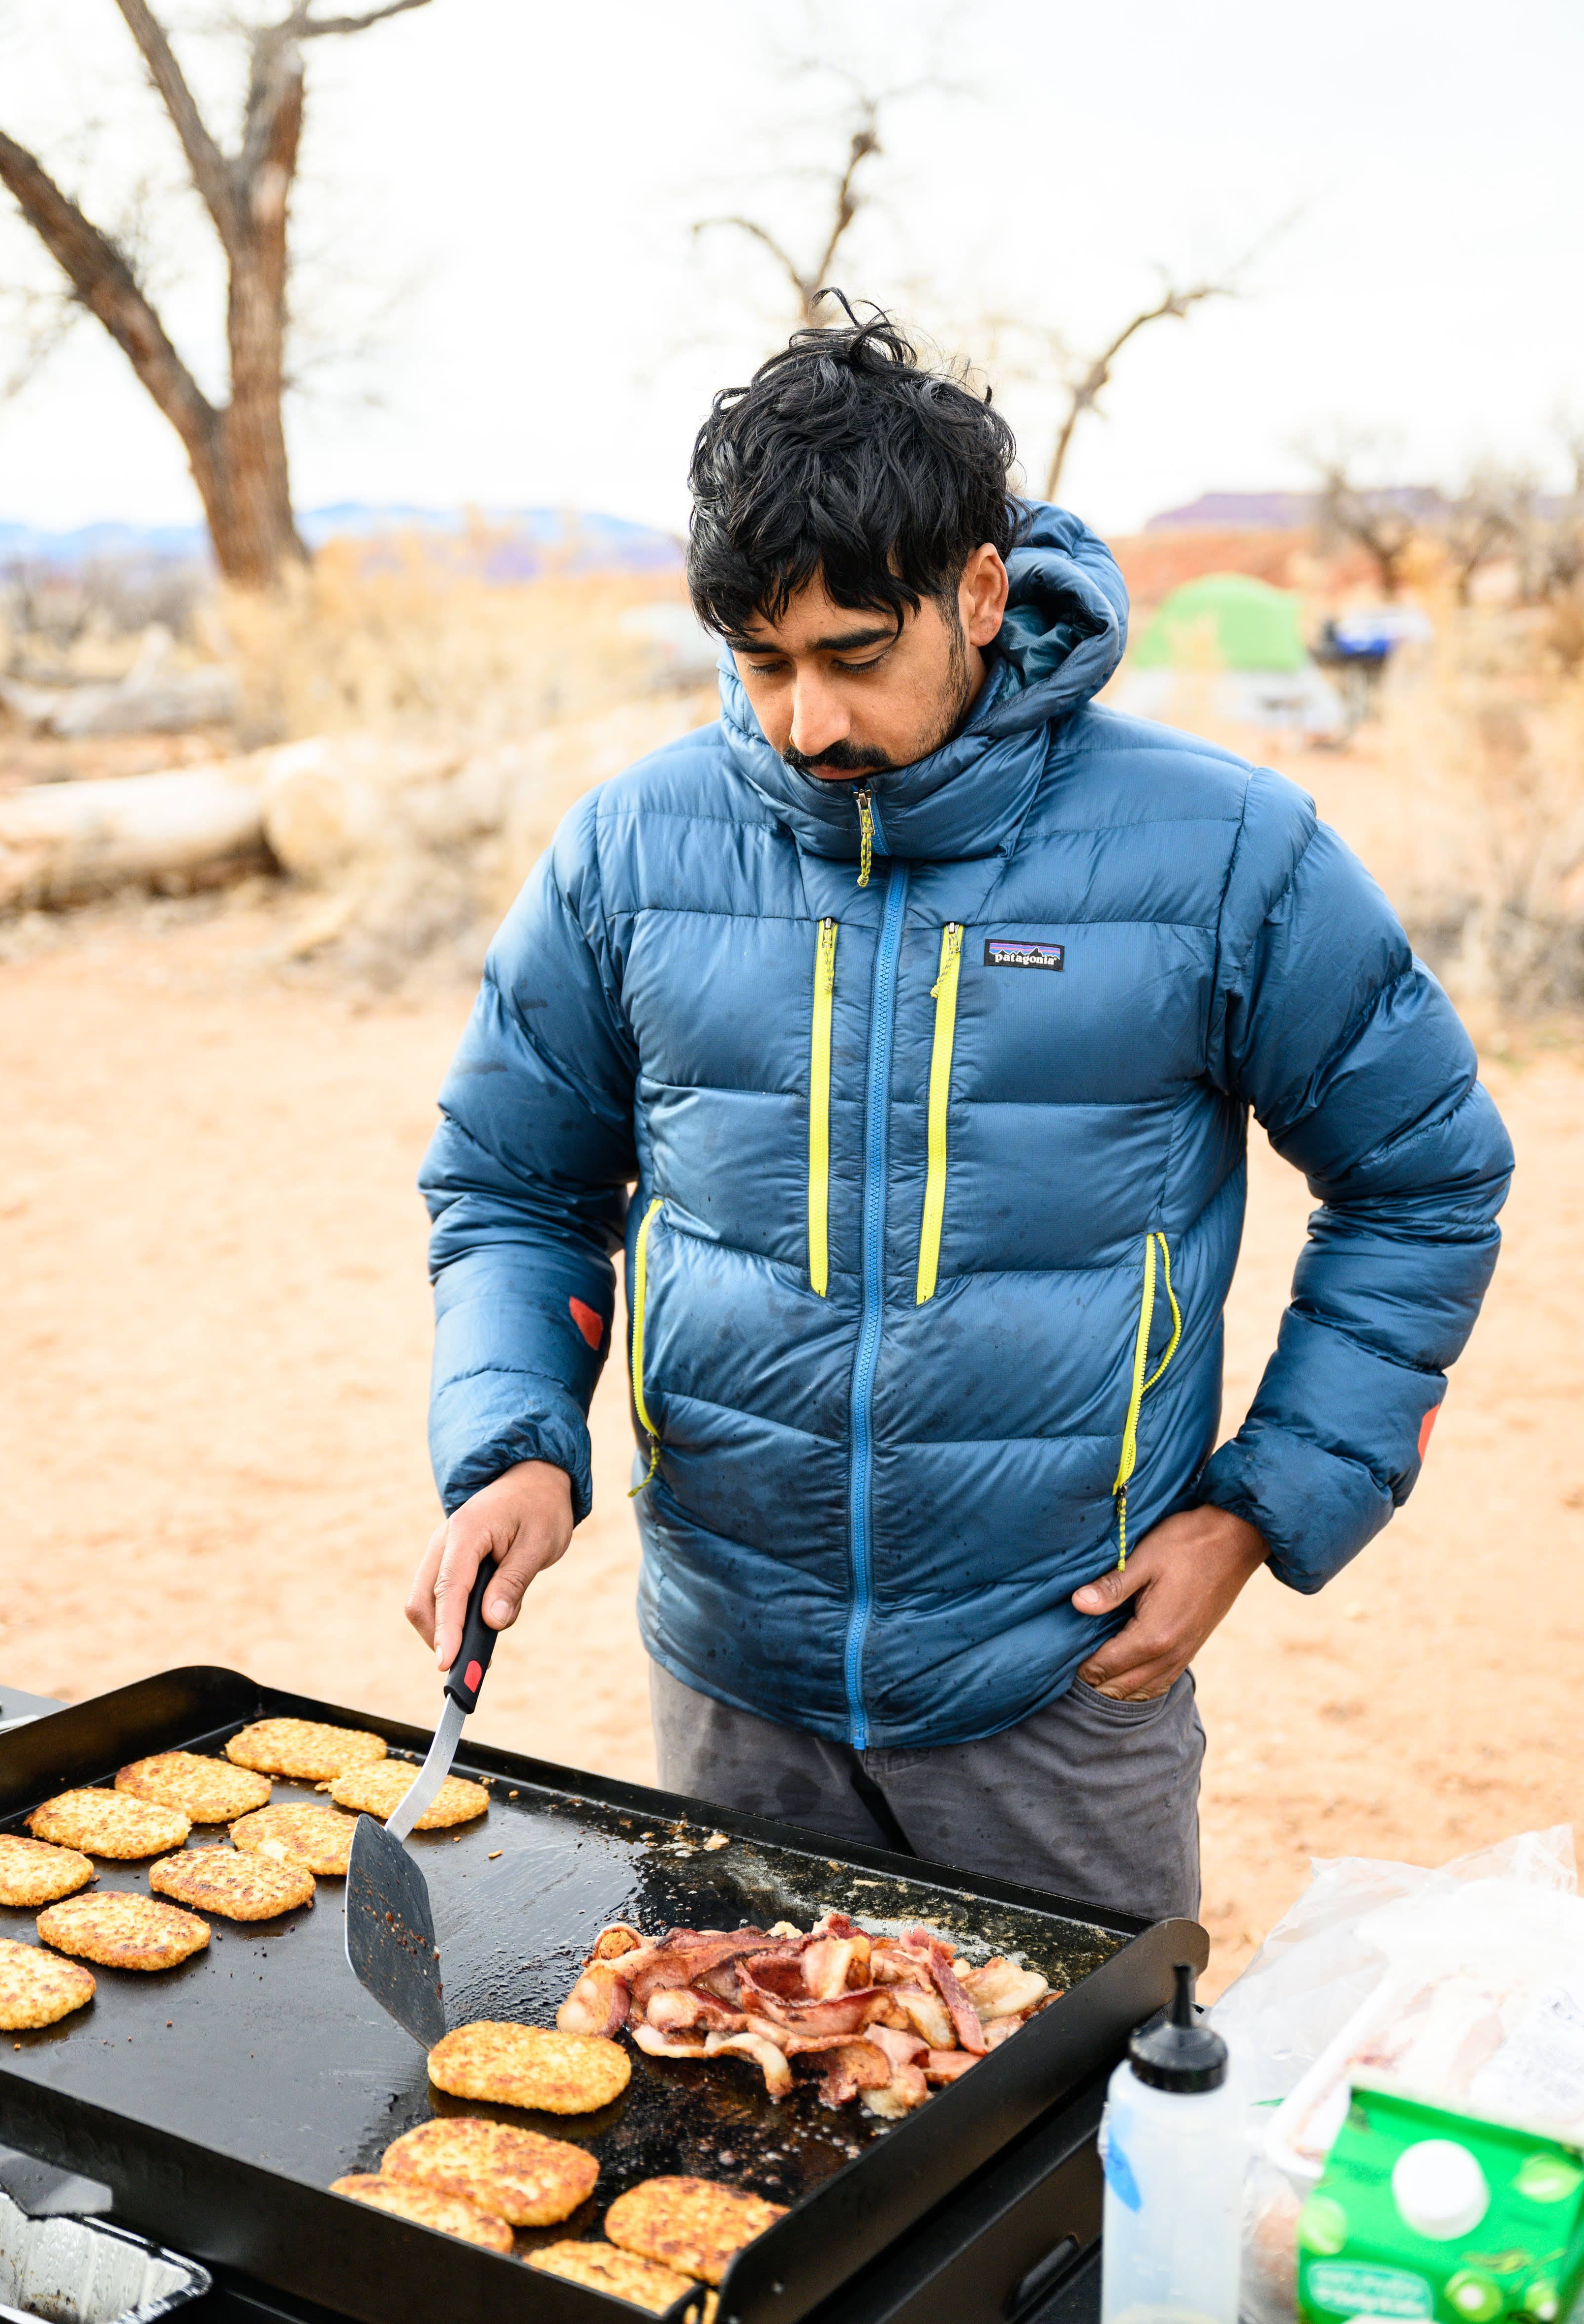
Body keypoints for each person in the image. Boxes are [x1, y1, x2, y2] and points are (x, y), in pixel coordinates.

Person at [405, 311, 1511, 1921]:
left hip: (1059, 1688)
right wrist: (513, 1442)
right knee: (732, 2073)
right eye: (762, 662)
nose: (805, 722)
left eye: (854, 655)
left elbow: (1423, 1182)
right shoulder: (628, 850)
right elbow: (513, 1184)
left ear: (979, 595)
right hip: (730, 1679)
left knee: (1077, 2088)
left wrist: (1258, 1509)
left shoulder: (1224, 852)